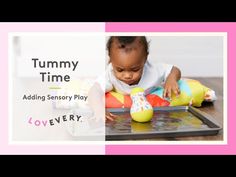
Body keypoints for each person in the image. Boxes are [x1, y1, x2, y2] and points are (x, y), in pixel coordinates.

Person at [88, 36, 181, 121]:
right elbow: (95, 90)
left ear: (145, 59)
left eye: (135, 69)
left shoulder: (153, 70)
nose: (127, 75)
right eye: (120, 70)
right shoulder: (110, 74)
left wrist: (171, 79)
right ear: (111, 60)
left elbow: (174, 69)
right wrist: (99, 109)